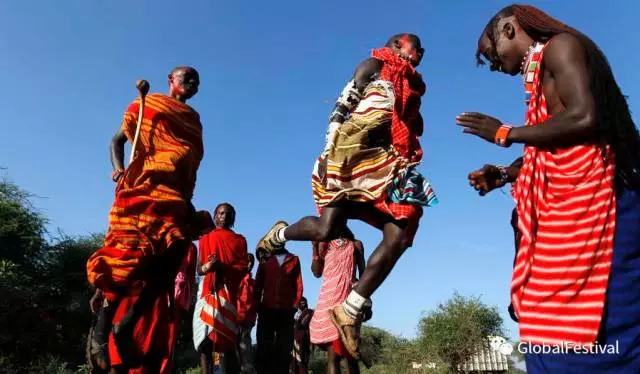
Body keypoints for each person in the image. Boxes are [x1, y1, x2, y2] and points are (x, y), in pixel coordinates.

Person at [459, 4, 640, 372]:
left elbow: (584, 118)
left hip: (606, 202)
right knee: (549, 329)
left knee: (604, 329)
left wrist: (504, 133)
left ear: (509, 29)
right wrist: (507, 175)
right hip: (579, 206)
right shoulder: (541, 69)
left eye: (490, 53)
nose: (493, 64)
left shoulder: (561, 46)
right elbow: (558, 146)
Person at [256, 33, 437, 359]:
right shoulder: (374, 65)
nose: (420, 52)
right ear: (397, 45)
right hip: (350, 149)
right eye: (415, 45)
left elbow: (406, 125)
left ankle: (351, 308)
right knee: (328, 229)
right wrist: (330, 148)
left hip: (389, 158)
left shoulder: (412, 87)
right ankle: (280, 233)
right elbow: (344, 104)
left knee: (402, 229)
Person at [86, 66, 212, 373]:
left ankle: (124, 328)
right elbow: (116, 141)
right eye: (186, 77)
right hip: (142, 192)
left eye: (197, 80)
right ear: (171, 81)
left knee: (164, 272)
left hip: (175, 200)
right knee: (126, 266)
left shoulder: (193, 121)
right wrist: (118, 170)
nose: (192, 83)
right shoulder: (148, 105)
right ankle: (100, 334)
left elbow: (190, 163)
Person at [193, 203, 248, 374]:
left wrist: (222, 266)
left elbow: (242, 268)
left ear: (233, 218)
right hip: (206, 292)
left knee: (222, 342)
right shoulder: (205, 239)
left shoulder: (239, 240)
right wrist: (208, 267)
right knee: (204, 342)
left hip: (227, 295)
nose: (224, 216)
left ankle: (222, 370)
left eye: (228, 214)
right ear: (215, 217)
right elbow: (199, 268)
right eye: (220, 213)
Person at [309, 228, 368, 374]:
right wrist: (315, 247)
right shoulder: (324, 244)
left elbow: (365, 276)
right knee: (333, 354)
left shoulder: (356, 245)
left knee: (351, 351)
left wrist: (366, 302)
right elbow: (317, 272)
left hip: (349, 301)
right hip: (328, 301)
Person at [254, 246, 303, 374]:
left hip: (286, 310)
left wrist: (295, 305)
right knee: (264, 348)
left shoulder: (294, 259)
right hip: (266, 309)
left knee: (284, 349)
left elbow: (298, 285)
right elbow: (258, 285)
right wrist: (258, 306)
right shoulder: (265, 261)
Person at [235, 253, 258, 374]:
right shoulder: (235, 279)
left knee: (245, 350)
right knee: (234, 350)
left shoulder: (253, 283)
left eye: (252, 263)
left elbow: (256, 300)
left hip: (248, 320)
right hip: (234, 318)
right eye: (248, 261)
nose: (249, 264)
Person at [291, 297, 314, 374]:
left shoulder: (308, 312)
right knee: (294, 363)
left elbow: (301, 325)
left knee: (302, 362)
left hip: (303, 340)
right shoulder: (295, 313)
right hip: (294, 340)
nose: (302, 304)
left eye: (303, 302)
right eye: (300, 302)